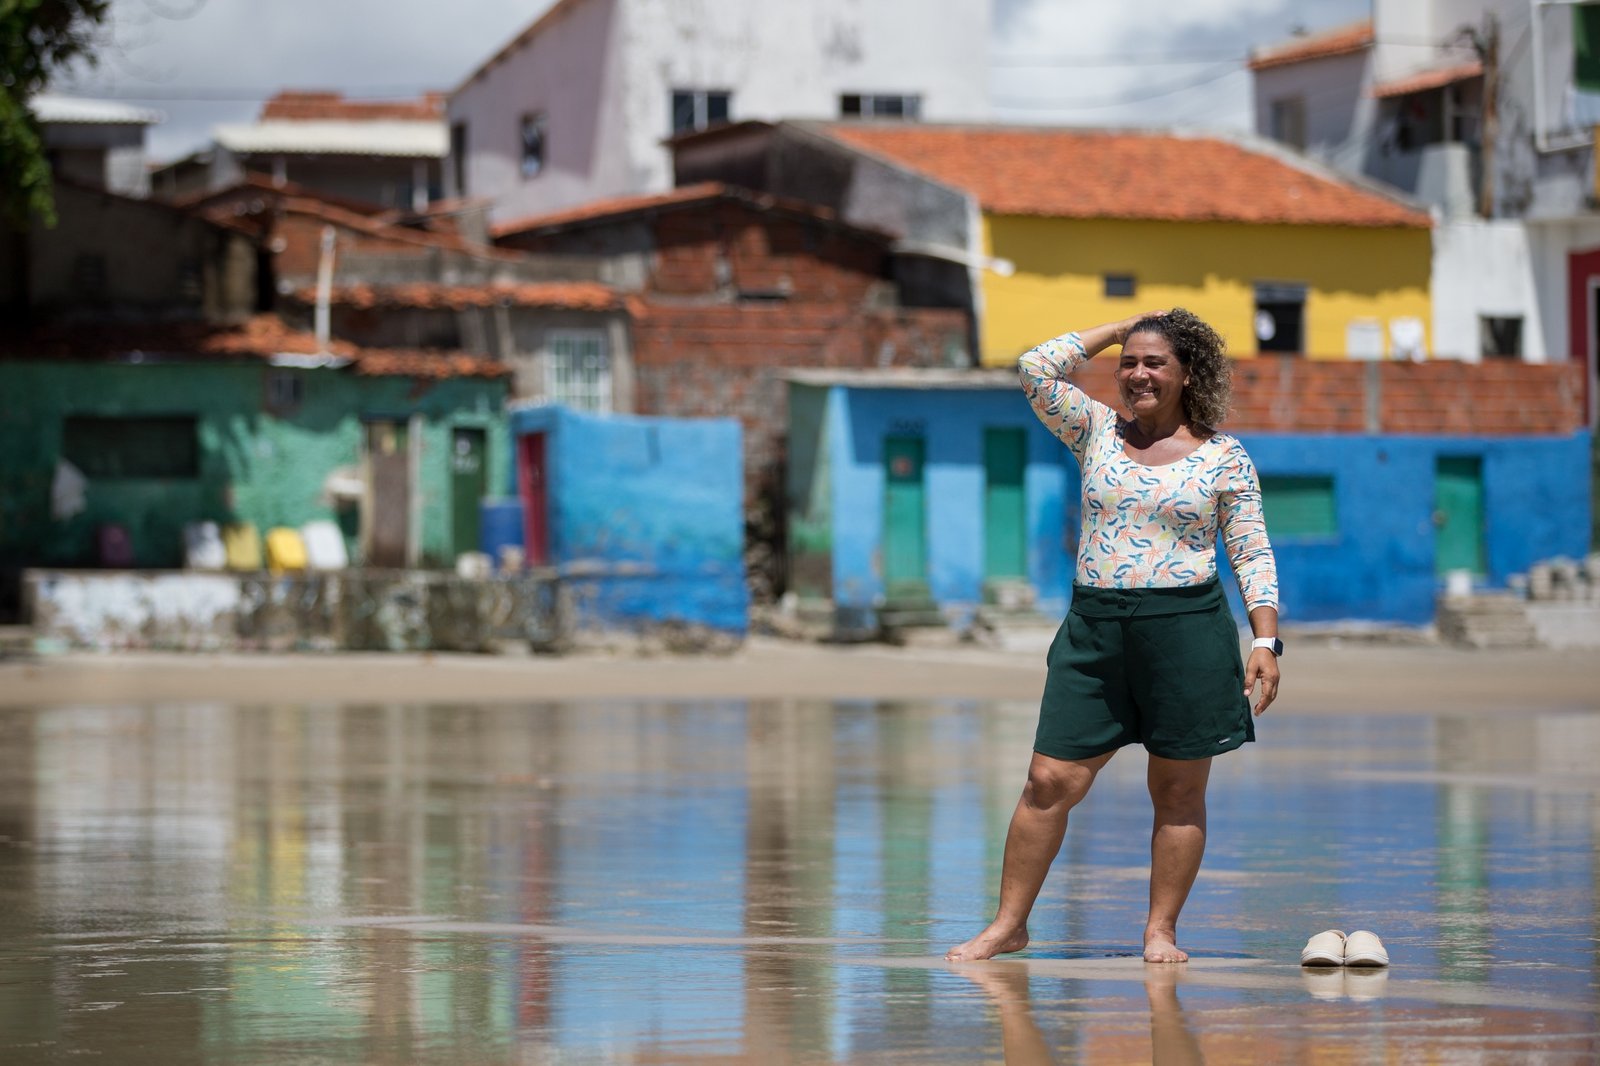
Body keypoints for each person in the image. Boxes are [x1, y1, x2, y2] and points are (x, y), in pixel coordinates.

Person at [946, 308, 1281, 965]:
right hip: (1095, 630)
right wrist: (1118, 326)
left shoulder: (1225, 457)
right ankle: (1008, 926)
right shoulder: (1093, 428)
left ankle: (1161, 931)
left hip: (1187, 632)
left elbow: (1252, 553)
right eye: (1129, 362)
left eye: (1155, 361)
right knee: (1048, 781)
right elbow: (1035, 368)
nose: (1137, 373)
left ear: (1189, 373)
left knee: (1179, 792)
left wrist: (1266, 642)